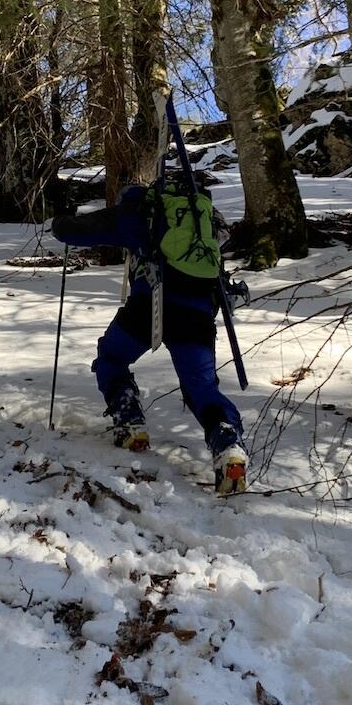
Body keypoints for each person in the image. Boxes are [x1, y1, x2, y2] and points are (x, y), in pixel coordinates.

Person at [50, 177, 249, 494]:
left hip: (148, 306)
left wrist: (60, 220)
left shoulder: (141, 212)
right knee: (200, 386)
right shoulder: (205, 220)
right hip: (197, 312)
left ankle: (130, 421)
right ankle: (228, 446)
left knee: (112, 358)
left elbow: (77, 231)